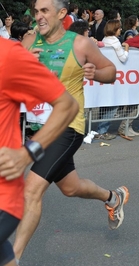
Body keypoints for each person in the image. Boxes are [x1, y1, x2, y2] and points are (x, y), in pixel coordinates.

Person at [13, 0, 130, 262]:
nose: (39, 16)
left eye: (45, 11)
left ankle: (12, 258)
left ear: (61, 13)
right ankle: (113, 197)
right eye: (36, 12)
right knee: (71, 187)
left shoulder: (79, 43)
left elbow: (110, 71)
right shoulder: (30, 42)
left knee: (31, 190)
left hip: (68, 125)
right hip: (39, 127)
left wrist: (95, 73)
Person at [0, 37, 78, 266]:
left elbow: (68, 105)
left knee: (70, 187)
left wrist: (27, 153)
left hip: (2, 196)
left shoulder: (8, 55)